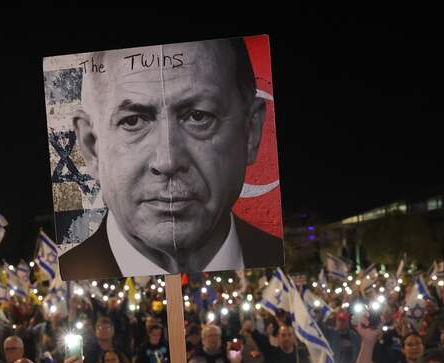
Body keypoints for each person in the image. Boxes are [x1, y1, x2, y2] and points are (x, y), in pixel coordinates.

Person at [58, 37, 283, 278]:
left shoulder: (279, 257)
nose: (167, 162)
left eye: (198, 116)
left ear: (251, 130)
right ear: (91, 146)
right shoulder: (66, 273)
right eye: (133, 121)